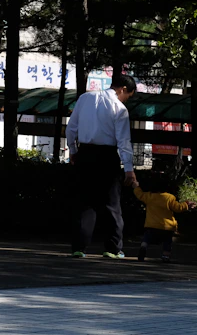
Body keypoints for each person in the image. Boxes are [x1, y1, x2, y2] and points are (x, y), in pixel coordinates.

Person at [66, 74, 137, 259]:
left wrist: (73, 150)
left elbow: (71, 127)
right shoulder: (119, 108)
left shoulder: (85, 98)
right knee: (111, 203)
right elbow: (123, 141)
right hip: (107, 156)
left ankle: (79, 247)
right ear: (122, 89)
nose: (126, 99)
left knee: (84, 201)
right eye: (127, 95)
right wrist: (129, 169)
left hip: (85, 153)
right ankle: (112, 248)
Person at [131, 178, 197, 262]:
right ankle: (166, 255)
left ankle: (143, 246)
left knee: (147, 238)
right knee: (167, 241)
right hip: (167, 226)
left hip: (152, 225)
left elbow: (139, 194)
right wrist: (186, 205)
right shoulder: (169, 198)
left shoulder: (149, 196)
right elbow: (178, 208)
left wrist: (136, 186)